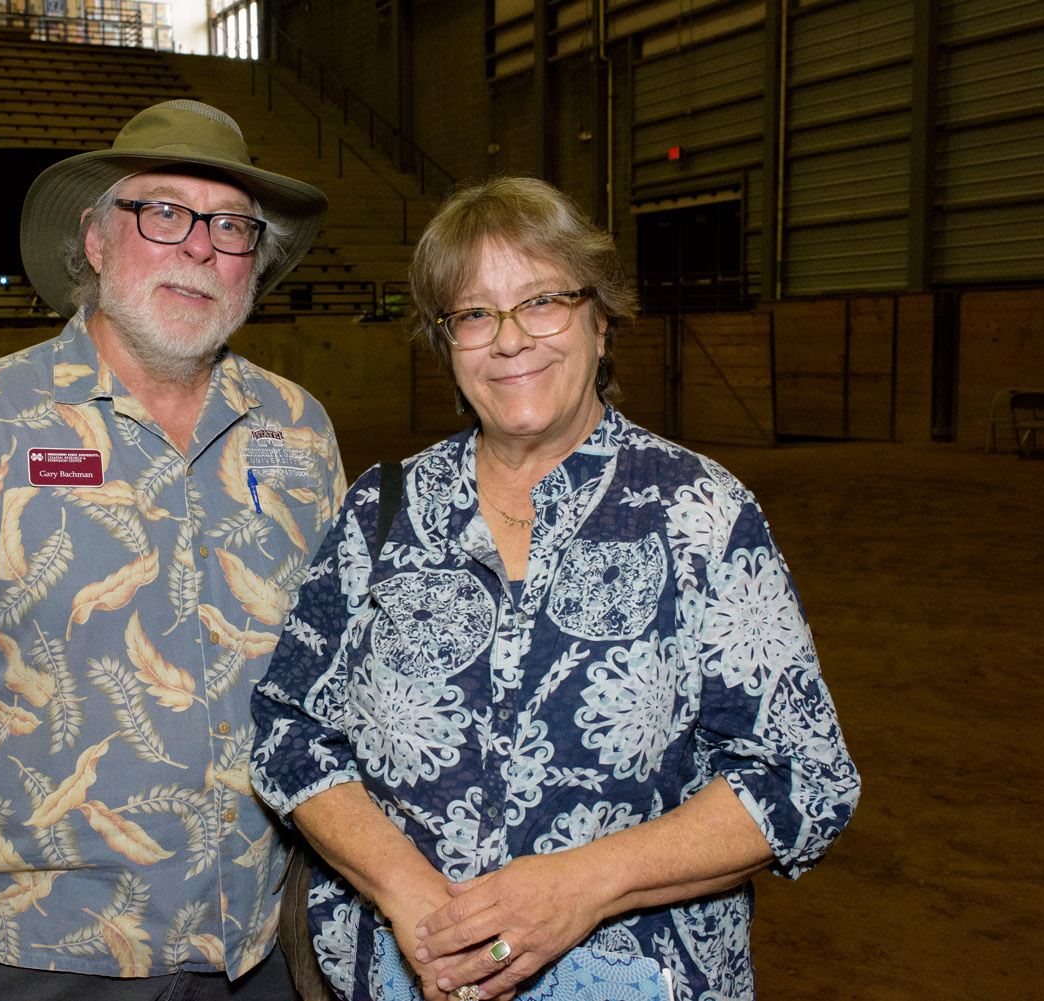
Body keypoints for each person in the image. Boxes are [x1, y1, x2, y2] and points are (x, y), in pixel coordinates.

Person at [249, 176, 859, 1001]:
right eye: (475, 313)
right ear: (447, 342)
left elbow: (800, 775)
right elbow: (289, 726)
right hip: (396, 977)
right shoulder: (382, 509)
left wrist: (585, 885)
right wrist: (406, 893)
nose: (509, 340)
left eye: (542, 301)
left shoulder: (699, 513)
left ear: (600, 323)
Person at [0, 100, 347, 1001]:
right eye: (163, 211)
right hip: (51, 954)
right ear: (97, 241)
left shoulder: (299, 431)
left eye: (230, 226)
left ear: (254, 263)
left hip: (261, 947)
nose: (198, 245)